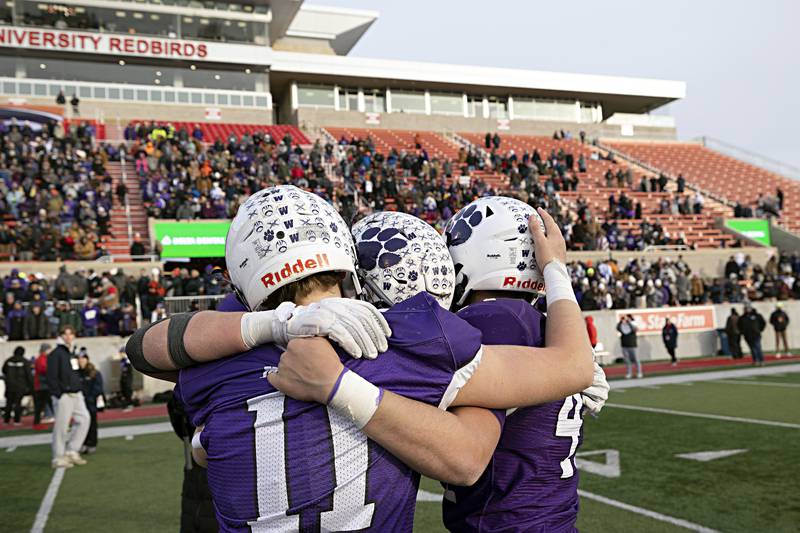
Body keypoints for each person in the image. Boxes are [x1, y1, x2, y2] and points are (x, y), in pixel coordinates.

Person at [126, 187, 595, 529]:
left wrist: (271, 325)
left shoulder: (214, 357)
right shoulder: (404, 340)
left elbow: (146, 351)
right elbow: (475, 451)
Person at [166, 393, 218, 533]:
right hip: (196, 470)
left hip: (220, 465)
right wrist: (176, 408)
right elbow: (186, 434)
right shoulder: (190, 389)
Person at [46, 325, 91, 468]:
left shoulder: (72, 353)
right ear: (60, 336)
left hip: (76, 394)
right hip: (64, 395)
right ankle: (58, 457)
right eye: (65, 334)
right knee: (61, 427)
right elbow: (51, 377)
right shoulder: (56, 354)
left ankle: (72, 450)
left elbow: (75, 373)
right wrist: (59, 395)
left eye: (71, 334)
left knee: (84, 419)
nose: (68, 337)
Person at [77, 352, 103, 454]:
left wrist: (89, 398)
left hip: (90, 403)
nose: (81, 361)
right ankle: (82, 443)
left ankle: (91, 444)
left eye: (83, 358)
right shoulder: (76, 373)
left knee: (91, 424)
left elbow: (98, 388)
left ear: (87, 360)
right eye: (79, 359)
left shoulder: (94, 373)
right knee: (80, 425)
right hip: (79, 404)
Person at [3, 347, 32, 426]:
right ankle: (16, 420)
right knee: (17, 403)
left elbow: (4, 370)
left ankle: (6, 420)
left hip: (9, 385)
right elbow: (28, 375)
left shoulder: (8, 360)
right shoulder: (25, 362)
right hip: (20, 386)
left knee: (9, 403)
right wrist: (30, 386)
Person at [33, 343, 55, 427]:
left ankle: (38, 421)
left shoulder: (44, 358)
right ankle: (37, 422)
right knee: (42, 404)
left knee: (47, 403)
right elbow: (44, 369)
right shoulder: (42, 359)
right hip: (42, 386)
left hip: (44, 385)